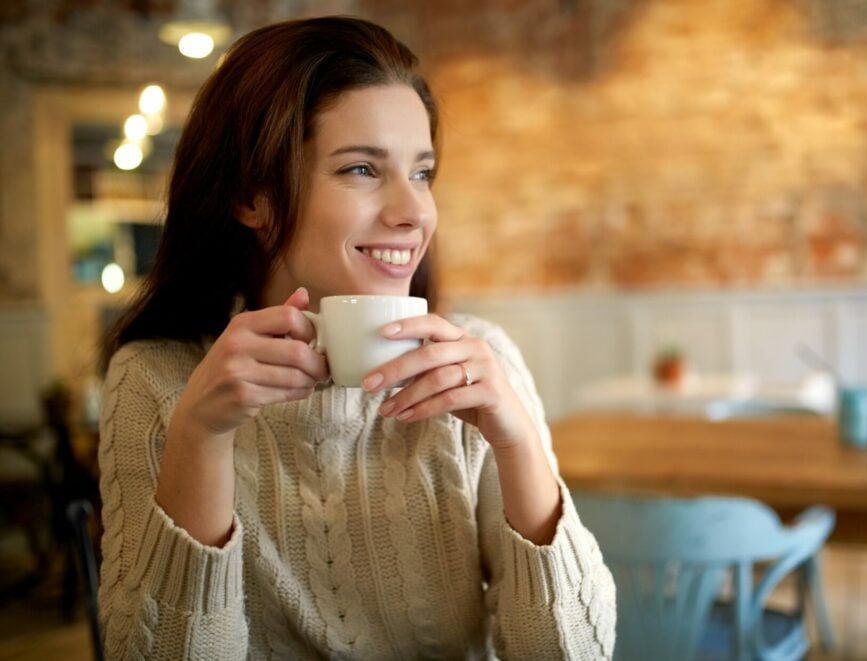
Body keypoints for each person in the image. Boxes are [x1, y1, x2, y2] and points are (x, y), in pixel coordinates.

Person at [98, 15, 616, 660]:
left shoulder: (479, 362)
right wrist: (200, 436)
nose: (414, 211)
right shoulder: (156, 381)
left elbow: (574, 653)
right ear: (251, 196)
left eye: (421, 172)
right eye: (362, 170)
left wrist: (515, 440)